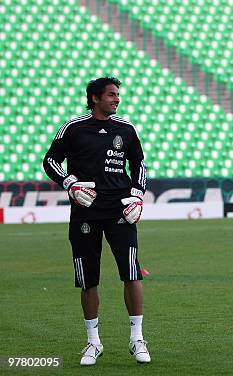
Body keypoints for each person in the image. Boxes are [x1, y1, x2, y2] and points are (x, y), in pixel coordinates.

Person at [43, 77, 151, 365]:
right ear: (95, 98)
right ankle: (93, 343)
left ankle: (137, 339)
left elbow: (139, 164)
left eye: (118, 95)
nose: (117, 99)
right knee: (88, 279)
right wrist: (71, 183)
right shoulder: (73, 128)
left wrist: (137, 196)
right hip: (85, 211)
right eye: (112, 95)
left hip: (120, 210)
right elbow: (51, 160)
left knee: (131, 272)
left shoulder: (126, 129)